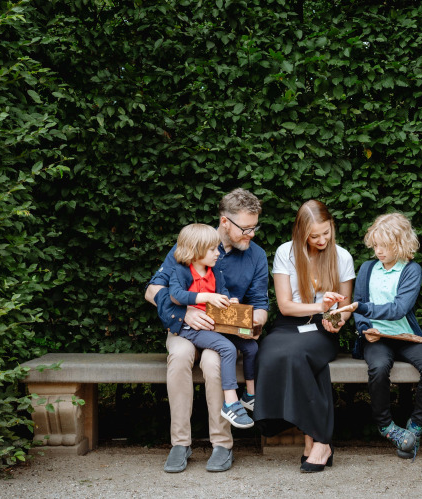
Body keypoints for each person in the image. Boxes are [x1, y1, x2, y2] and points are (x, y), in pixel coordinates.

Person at [145, 189, 269, 474]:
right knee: (179, 358)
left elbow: (260, 304)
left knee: (213, 364)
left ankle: (223, 445)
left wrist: (254, 324)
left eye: (254, 227)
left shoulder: (256, 255)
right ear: (225, 222)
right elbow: (152, 290)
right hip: (182, 325)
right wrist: (184, 310)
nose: (251, 234)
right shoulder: (194, 243)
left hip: (223, 333)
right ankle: (180, 443)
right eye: (246, 228)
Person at [253, 200, 356, 473]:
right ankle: (315, 439)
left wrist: (337, 320)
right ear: (301, 233)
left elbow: (344, 308)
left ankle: (319, 441)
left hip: (323, 328)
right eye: (314, 235)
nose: (322, 240)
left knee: (299, 354)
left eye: (326, 232)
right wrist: (319, 307)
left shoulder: (343, 257)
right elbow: (285, 305)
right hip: (288, 324)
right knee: (270, 351)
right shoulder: (285, 252)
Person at [349, 213, 422, 459]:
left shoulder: (411, 270)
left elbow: (399, 308)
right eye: (375, 245)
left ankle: (416, 426)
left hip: (405, 336)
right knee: (378, 368)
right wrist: (364, 329)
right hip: (376, 337)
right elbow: (356, 305)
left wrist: (362, 309)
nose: (379, 251)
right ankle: (387, 427)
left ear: (400, 244)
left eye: (385, 246)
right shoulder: (368, 268)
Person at [167, 223, 258, 430]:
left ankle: (250, 397)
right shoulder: (181, 271)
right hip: (192, 328)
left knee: (251, 347)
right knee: (227, 349)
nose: (218, 253)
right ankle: (230, 403)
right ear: (195, 250)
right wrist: (207, 296)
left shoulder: (214, 271)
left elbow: (222, 292)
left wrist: (229, 301)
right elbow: (176, 295)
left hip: (214, 324)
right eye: (212, 249)